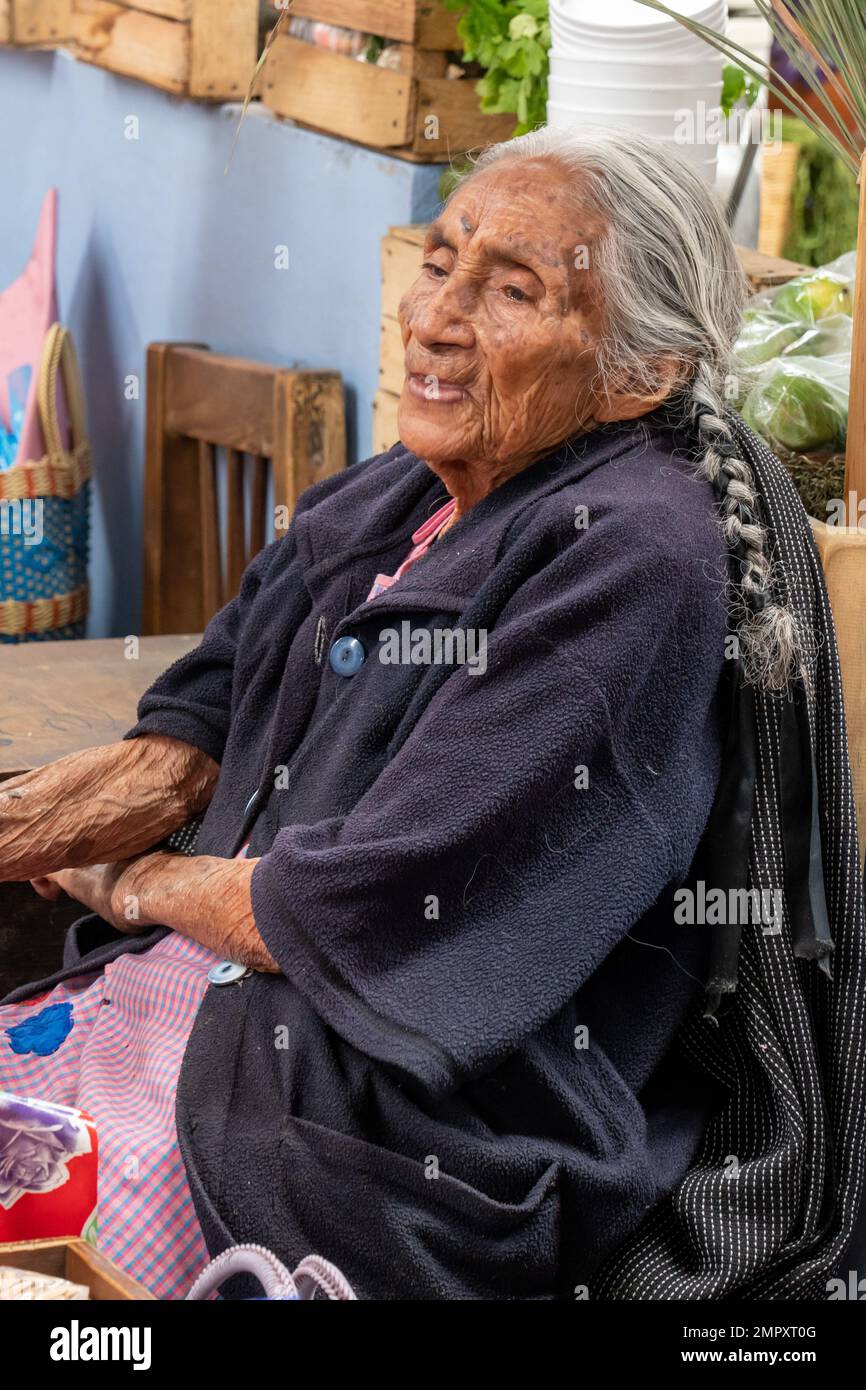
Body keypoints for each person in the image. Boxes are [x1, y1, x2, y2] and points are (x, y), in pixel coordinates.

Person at [1, 126, 863, 1300]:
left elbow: (375, 906)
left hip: (360, 1123)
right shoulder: (397, 491)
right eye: (441, 261)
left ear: (638, 372)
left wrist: (130, 882)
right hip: (181, 1006)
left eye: (510, 290)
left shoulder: (631, 560)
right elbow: (193, 725)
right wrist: (53, 821)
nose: (435, 317)